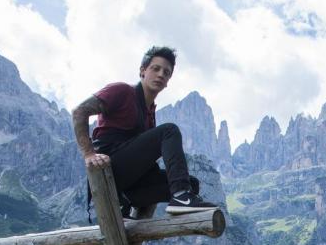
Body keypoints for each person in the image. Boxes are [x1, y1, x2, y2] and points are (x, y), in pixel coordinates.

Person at [71, 45, 217, 215]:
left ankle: (132, 211)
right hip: (109, 169)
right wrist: (89, 154)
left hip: (130, 185)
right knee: (169, 131)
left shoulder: (149, 113)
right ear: (142, 71)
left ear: (168, 81)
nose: (161, 74)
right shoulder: (122, 91)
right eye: (156, 69)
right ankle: (181, 197)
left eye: (166, 72)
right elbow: (79, 111)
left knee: (192, 184)